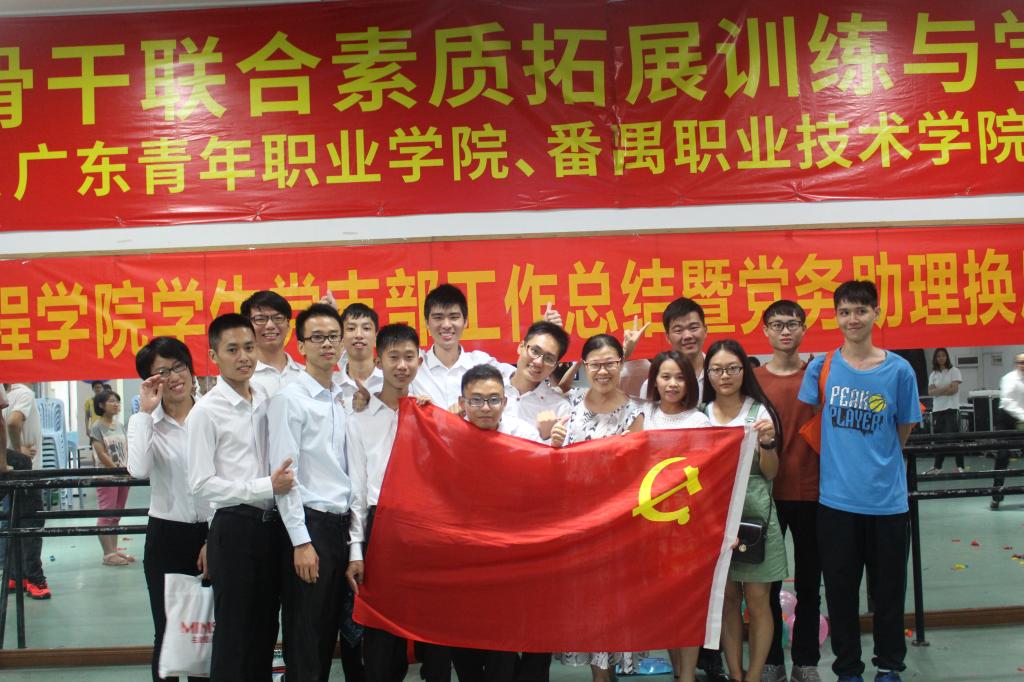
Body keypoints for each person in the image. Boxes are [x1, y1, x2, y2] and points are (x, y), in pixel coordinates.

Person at [799, 280, 921, 682]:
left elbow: (902, 429)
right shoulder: (821, 368)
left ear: (876, 314)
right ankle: (848, 669)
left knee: (889, 593)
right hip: (836, 504)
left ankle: (888, 666)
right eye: (845, 312)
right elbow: (811, 420)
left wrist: (877, 462)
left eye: (861, 310)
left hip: (888, 504)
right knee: (840, 592)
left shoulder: (899, 371)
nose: (853, 319)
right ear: (836, 317)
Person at [188, 313, 296, 682]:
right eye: (232, 350)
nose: (244, 357)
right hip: (234, 528)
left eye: (249, 348)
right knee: (235, 634)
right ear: (214, 356)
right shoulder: (206, 412)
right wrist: (265, 486)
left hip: (271, 529)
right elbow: (201, 484)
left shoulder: (266, 398)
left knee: (265, 630)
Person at [268, 303, 364, 682]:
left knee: (339, 634)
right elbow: (285, 478)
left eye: (333, 337)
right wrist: (301, 541)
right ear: (301, 345)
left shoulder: (340, 397)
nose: (327, 344)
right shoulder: (289, 399)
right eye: (318, 337)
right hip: (311, 528)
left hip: (341, 528)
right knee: (308, 640)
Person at [554, 334, 643, 682]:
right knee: (586, 602)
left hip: (617, 524)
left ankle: (605, 675)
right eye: (595, 364)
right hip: (575, 523)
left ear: (622, 364)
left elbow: (636, 469)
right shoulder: (571, 401)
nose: (603, 371)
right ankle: (600, 675)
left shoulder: (636, 411)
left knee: (612, 602)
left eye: (610, 363)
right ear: (585, 366)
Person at [128, 337, 210, 682]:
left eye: (179, 366)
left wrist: (214, 538)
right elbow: (138, 470)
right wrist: (145, 414)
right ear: (151, 382)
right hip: (167, 536)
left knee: (208, 630)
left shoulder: (212, 414)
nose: (174, 377)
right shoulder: (147, 422)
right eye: (162, 372)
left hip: (214, 532)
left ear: (191, 369)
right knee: (168, 632)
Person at [702, 340, 785, 682]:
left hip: (756, 517)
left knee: (758, 599)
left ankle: (753, 676)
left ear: (744, 372)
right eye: (717, 369)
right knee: (727, 598)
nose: (725, 376)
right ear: (708, 374)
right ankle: (735, 674)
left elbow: (771, 472)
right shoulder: (701, 415)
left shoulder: (759, 413)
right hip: (714, 520)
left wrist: (767, 444)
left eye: (733, 369)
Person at [346, 323, 425, 682]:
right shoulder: (359, 420)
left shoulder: (428, 415)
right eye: (394, 357)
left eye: (409, 357)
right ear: (378, 361)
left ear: (419, 361)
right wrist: (356, 550)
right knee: (380, 631)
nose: (402, 365)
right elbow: (357, 492)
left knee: (423, 622)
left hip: (421, 528)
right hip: (379, 526)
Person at [447, 364, 530, 682]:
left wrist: (553, 443)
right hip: (461, 554)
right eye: (477, 400)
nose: (486, 408)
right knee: (463, 636)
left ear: (505, 402)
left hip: (507, 553)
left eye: (494, 399)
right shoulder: (447, 436)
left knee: (502, 639)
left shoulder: (523, 435)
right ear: (463, 402)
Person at [755, 302, 822, 682]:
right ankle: (771, 661)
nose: (785, 331)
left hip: (814, 492)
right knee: (767, 584)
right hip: (767, 495)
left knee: (811, 582)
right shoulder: (753, 381)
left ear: (803, 329)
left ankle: (806, 662)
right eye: (777, 324)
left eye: (792, 324)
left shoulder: (819, 376)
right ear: (765, 330)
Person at [641, 351, 710, 682]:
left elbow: (709, 476)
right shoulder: (644, 416)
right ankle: (679, 673)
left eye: (680, 377)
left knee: (688, 603)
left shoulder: (699, 421)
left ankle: (688, 676)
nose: (672, 384)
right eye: (665, 376)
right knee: (665, 603)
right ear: (654, 380)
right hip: (649, 525)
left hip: (687, 524)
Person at [500, 320, 571, 440]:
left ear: (555, 366)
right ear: (521, 347)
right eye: (535, 351)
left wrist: (545, 437)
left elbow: (563, 451)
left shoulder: (560, 408)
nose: (538, 362)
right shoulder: (488, 390)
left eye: (549, 358)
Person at [89, 389, 134, 567]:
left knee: (116, 514)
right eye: (111, 401)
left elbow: (126, 448)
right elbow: (101, 453)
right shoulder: (97, 427)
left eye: (117, 401)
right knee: (106, 513)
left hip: (123, 475)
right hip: (107, 476)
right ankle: (107, 554)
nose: (116, 404)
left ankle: (114, 551)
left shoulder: (120, 425)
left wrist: (127, 469)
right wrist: (116, 470)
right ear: (101, 405)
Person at [242, 290, 305, 396]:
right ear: (248, 327)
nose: (270, 325)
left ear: (288, 324)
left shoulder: (306, 375)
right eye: (260, 319)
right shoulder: (241, 378)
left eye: (278, 318)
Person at [335, 302, 384, 408]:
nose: (358, 335)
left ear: (376, 337)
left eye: (366, 328)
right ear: (341, 338)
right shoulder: (331, 386)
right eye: (351, 328)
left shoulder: (390, 381)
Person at [923, 348, 963, 474]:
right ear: (935, 358)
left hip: (951, 408)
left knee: (954, 438)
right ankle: (937, 467)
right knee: (939, 439)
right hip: (937, 410)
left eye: (943, 355)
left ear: (947, 357)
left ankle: (960, 466)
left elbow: (954, 390)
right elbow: (930, 392)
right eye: (938, 356)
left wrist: (938, 391)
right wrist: (946, 388)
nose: (941, 358)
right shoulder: (933, 374)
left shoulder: (954, 371)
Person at [993, 352, 1024, 510]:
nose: (1023, 365)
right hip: (1006, 419)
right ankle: (996, 496)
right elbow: (1007, 402)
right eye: (1021, 362)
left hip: (1021, 420)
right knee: (1003, 455)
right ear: (1016, 364)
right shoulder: (1009, 378)